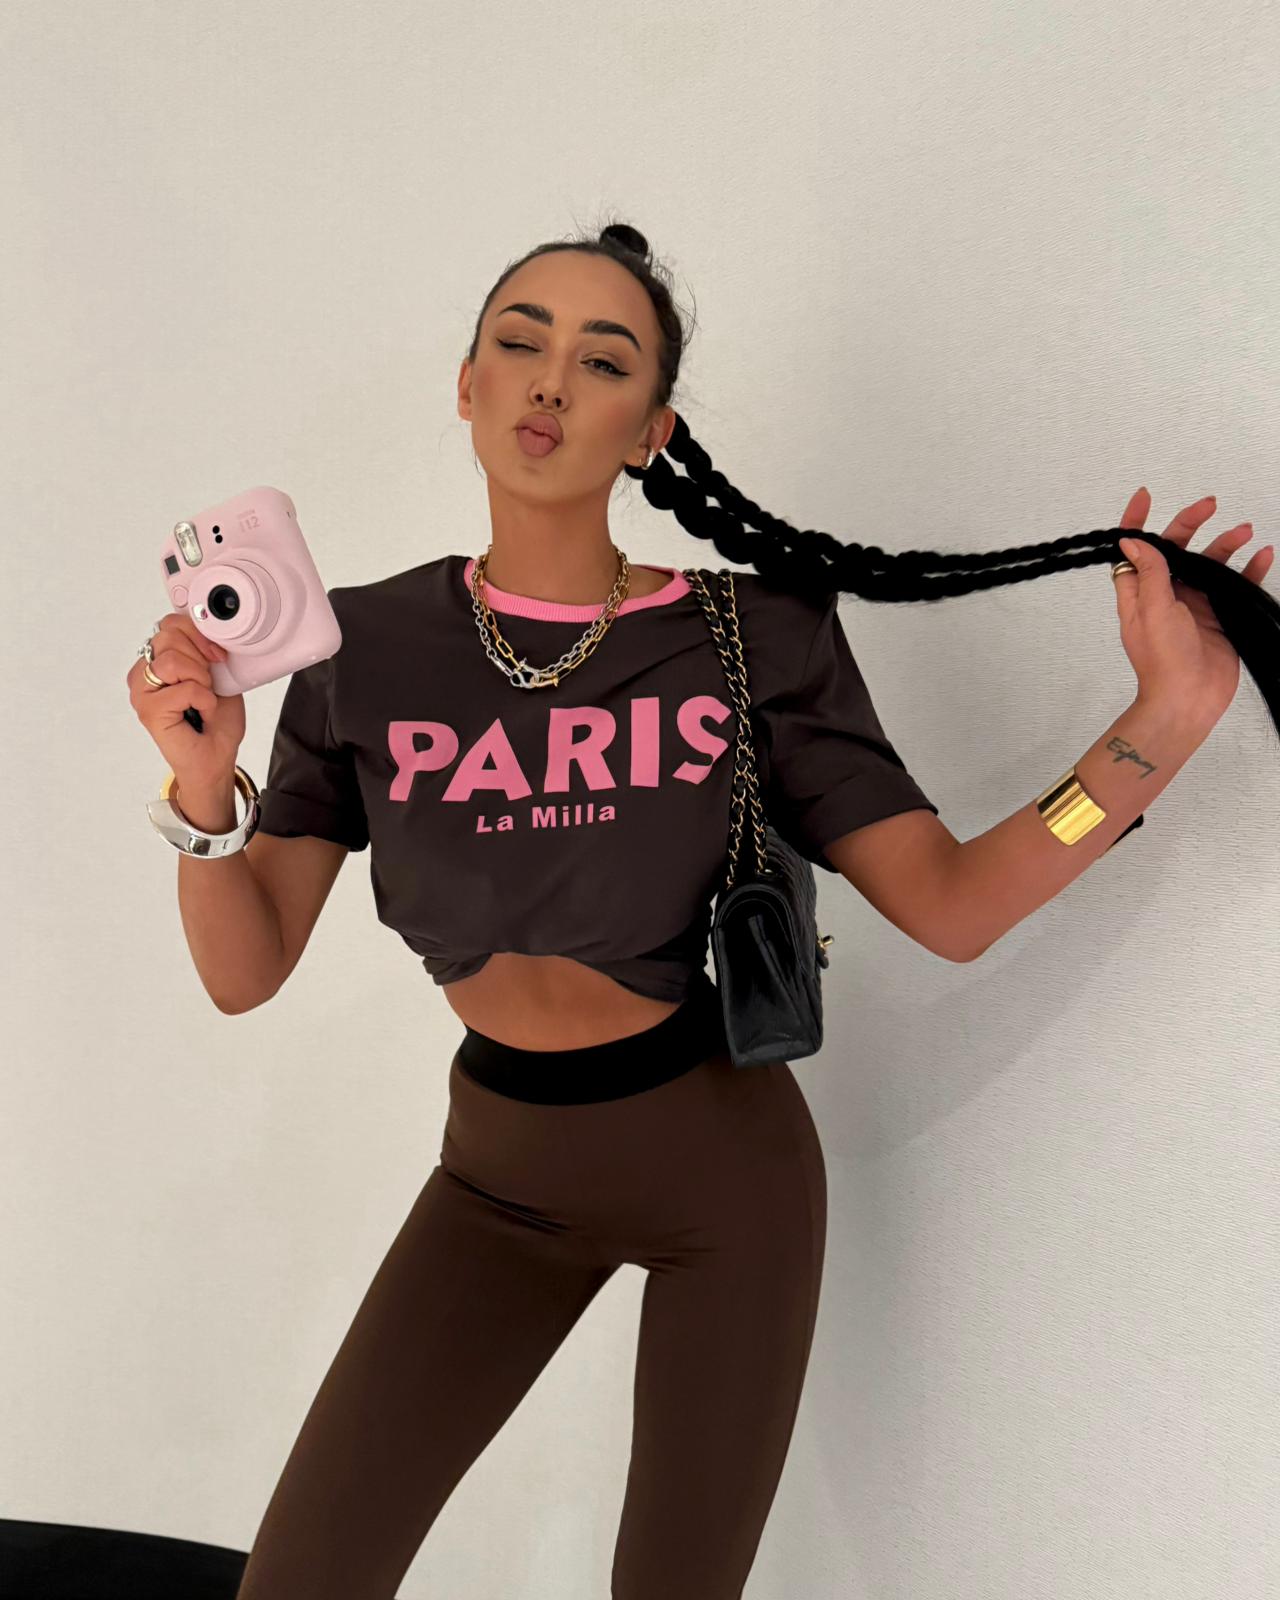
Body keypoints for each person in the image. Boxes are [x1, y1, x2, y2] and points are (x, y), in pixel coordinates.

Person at [127, 222, 1275, 1600]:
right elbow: (245, 971)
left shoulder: (754, 640)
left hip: (725, 1182)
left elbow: (953, 905)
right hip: (493, 1176)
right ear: (467, 385)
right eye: (519, 342)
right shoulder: (360, 651)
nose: (551, 380)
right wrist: (203, 783)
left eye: (602, 361)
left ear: (650, 429)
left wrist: (1160, 726)